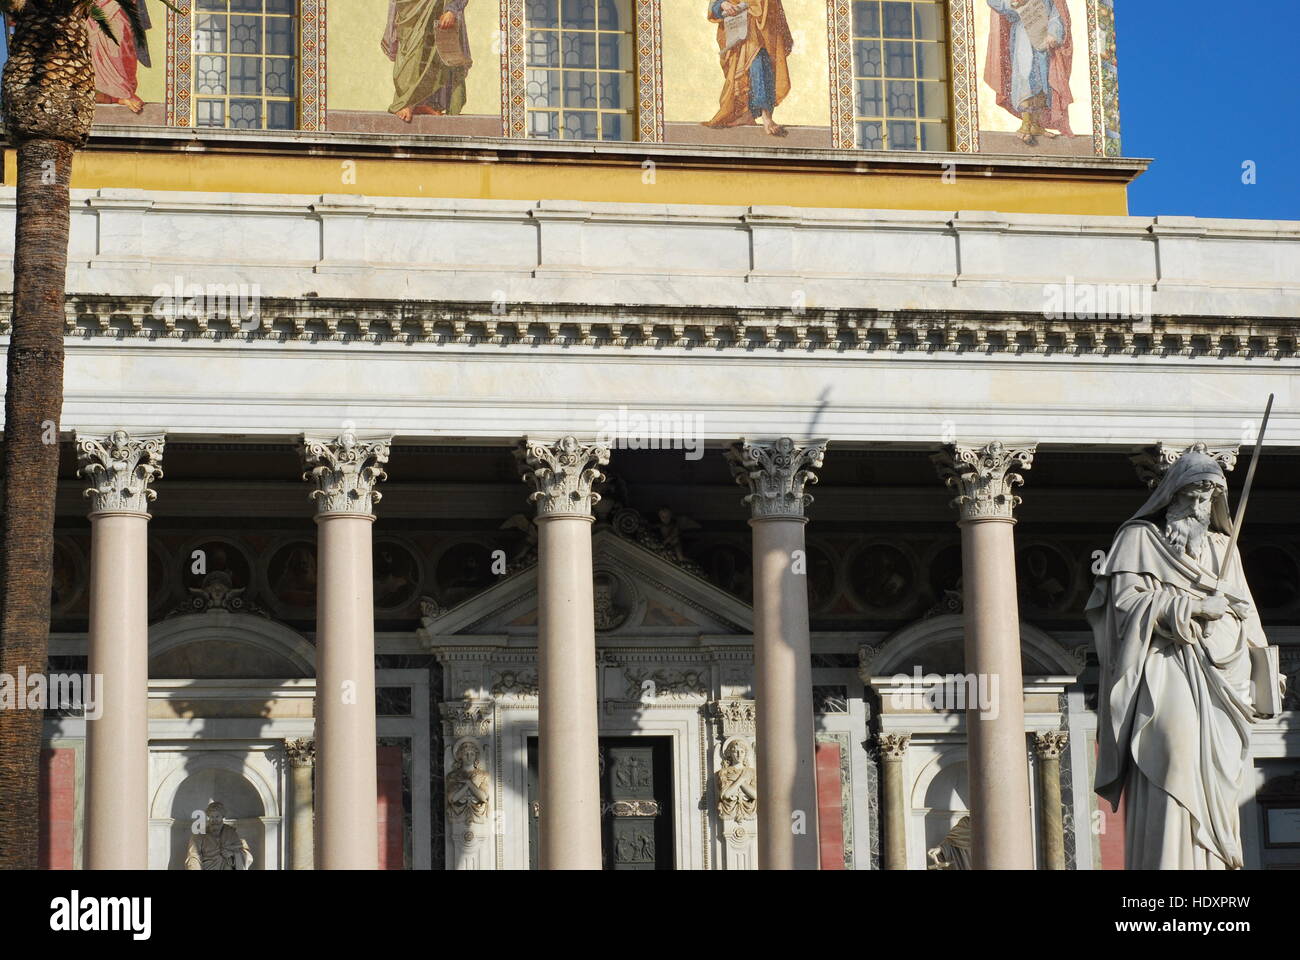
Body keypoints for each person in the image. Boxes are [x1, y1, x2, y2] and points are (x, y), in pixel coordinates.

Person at [1090, 451, 1281, 869]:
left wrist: (1267, 667)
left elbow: (1248, 613)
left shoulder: (1221, 546)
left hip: (1223, 674)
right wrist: (1191, 609)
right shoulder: (1138, 539)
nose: (1198, 507)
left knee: (1217, 774)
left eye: (1207, 498)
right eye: (1191, 495)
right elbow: (1124, 605)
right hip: (1165, 669)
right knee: (1173, 754)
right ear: (1171, 494)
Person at [984, 0, 1072, 145]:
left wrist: (1053, 32)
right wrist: (1012, 4)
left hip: (1042, 38)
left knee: (1042, 80)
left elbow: (1056, 13)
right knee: (1024, 76)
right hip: (1022, 36)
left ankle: (1035, 124)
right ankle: (1026, 125)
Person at [704, 0, 793, 137]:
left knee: (759, 61)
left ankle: (766, 115)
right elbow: (714, 6)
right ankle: (747, 115)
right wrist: (722, 4)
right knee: (741, 73)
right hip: (735, 27)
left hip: (760, 24)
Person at [383, 0, 472, 123]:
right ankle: (408, 102)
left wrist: (452, 9)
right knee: (412, 50)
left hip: (438, 7)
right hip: (409, 9)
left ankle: (427, 104)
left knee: (438, 52)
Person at [89, 0, 151, 114]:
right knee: (101, 43)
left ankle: (121, 93)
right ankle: (116, 95)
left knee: (122, 46)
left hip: (121, 8)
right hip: (97, 8)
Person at [185, 802, 253, 870]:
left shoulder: (231, 833)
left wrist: (232, 855)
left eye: (217, 816)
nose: (214, 820)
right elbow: (193, 857)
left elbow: (247, 855)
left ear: (222, 817)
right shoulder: (199, 835)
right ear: (208, 817)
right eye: (212, 816)